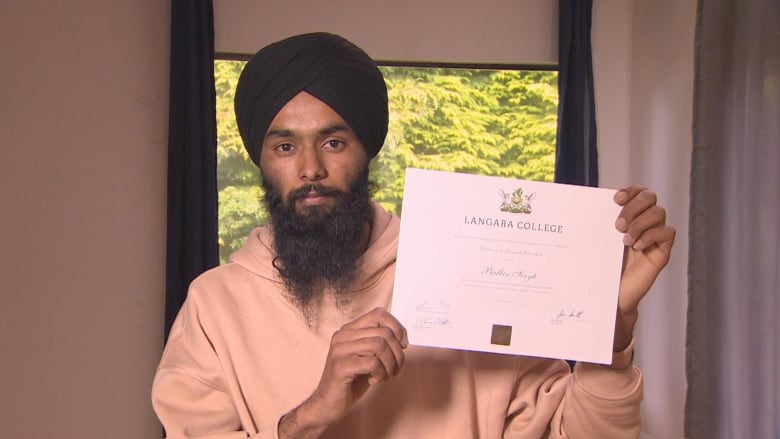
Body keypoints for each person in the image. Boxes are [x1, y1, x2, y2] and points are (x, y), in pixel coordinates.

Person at [152, 32, 676, 439]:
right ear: (261, 160)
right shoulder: (213, 307)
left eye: (333, 142)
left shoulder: (472, 275)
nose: (311, 169)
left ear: (368, 149)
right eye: (285, 147)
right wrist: (314, 414)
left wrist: (611, 336)